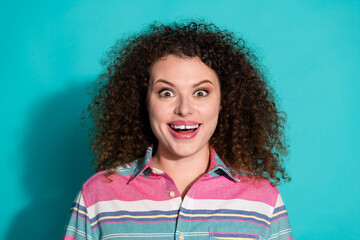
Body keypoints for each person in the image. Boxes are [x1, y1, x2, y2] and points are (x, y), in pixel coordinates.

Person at [63, 21, 293, 240]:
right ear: (144, 101)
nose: (184, 109)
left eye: (201, 92)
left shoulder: (264, 200)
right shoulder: (97, 195)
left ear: (223, 101)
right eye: (166, 92)